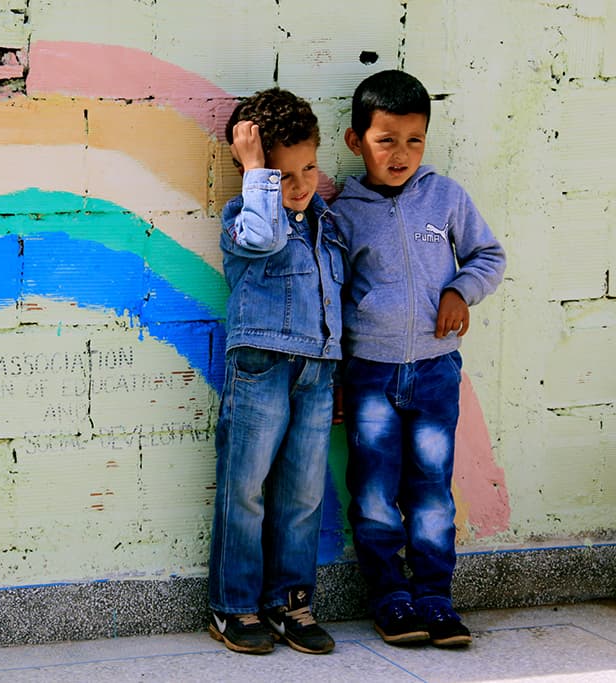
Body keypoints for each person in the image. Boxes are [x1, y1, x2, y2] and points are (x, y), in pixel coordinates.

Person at [334, 69, 506, 648]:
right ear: (357, 141)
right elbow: (330, 296)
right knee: (376, 490)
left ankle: (436, 599)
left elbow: (488, 255)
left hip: (435, 370)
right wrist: (334, 376)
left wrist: (460, 291)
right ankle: (392, 600)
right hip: (369, 375)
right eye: (386, 140)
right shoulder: (342, 212)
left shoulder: (446, 196)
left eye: (414, 140)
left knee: (432, 487)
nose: (401, 153)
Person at [207, 88, 347, 656]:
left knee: (303, 494)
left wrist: (339, 365)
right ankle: (232, 605)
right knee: (245, 489)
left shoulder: (327, 224)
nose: (300, 183)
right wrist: (255, 169)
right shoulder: (244, 220)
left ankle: (290, 601)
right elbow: (264, 238)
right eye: (282, 174)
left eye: (308, 167)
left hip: (316, 370)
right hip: (261, 369)